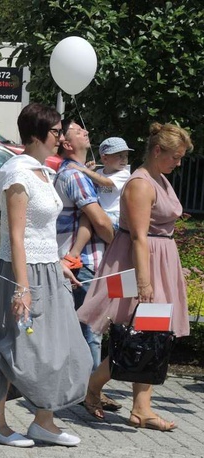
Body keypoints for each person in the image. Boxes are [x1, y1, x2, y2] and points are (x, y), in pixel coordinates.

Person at [0, 103, 92, 448]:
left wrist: (59, 264)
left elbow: (41, 230)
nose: (61, 137)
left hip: (47, 268)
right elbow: (15, 235)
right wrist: (21, 289)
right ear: (37, 135)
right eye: (57, 131)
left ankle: (44, 422)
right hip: (21, 270)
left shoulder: (43, 170)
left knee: (64, 347)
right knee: (12, 345)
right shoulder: (18, 172)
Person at [79, 123, 193, 430]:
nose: (178, 163)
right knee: (134, 333)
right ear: (158, 151)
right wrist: (144, 283)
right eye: (176, 156)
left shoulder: (159, 179)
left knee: (150, 334)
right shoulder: (141, 183)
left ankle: (142, 408)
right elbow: (140, 237)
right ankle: (93, 387)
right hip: (137, 262)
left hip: (158, 259)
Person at [54, 119, 115, 369]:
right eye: (79, 131)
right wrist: (122, 243)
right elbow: (99, 221)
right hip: (84, 262)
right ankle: (89, 390)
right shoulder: (75, 176)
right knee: (92, 329)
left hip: (81, 261)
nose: (86, 131)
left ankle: (82, 387)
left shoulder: (77, 172)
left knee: (83, 327)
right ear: (67, 144)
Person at [64, 137, 132, 264]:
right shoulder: (100, 172)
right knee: (87, 216)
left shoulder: (124, 174)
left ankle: (75, 253)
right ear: (105, 158)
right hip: (102, 214)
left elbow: (105, 182)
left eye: (126, 156)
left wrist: (84, 170)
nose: (124, 159)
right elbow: (93, 184)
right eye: (119, 155)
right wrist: (89, 170)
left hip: (115, 217)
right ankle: (75, 254)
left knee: (89, 218)